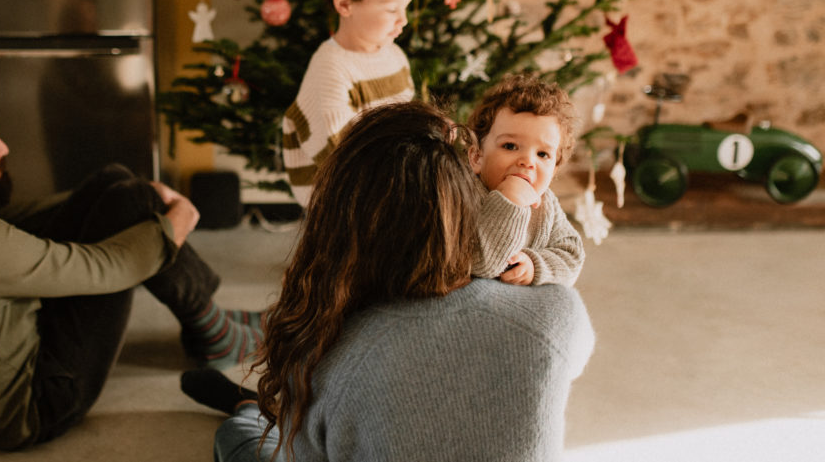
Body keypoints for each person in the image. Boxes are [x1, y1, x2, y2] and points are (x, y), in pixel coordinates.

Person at [183, 101, 595, 462]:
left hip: (308, 412)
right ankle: (253, 408)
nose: (526, 163)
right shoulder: (558, 313)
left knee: (240, 438)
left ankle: (247, 411)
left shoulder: (327, 355)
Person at [0, 94, 263, 450]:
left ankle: (209, 324)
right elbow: (110, 268)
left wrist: (113, 195)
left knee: (118, 183)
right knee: (136, 209)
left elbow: (15, 221)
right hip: (35, 407)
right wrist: (179, 218)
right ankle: (213, 332)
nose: (3, 148)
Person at [281, 0, 423, 206]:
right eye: (392, 9)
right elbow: (344, 160)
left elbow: (407, 124)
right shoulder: (330, 68)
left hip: (386, 181)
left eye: (405, 7)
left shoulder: (394, 56)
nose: (403, 20)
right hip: (341, 202)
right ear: (345, 4)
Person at [466, 72, 586, 286]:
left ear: (554, 169)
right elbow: (480, 265)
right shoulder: (465, 195)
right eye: (510, 146)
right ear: (477, 157)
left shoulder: (547, 205)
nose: (527, 162)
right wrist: (509, 202)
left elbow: (572, 256)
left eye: (542, 154)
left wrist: (535, 265)